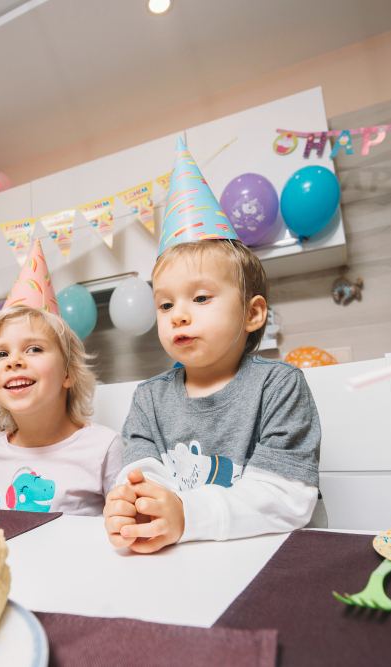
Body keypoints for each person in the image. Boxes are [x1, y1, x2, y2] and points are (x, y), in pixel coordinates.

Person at [103, 138, 322, 553]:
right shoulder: (149, 398)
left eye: (200, 298)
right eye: (165, 304)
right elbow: (142, 472)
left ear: (253, 314)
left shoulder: (280, 386)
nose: (178, 315)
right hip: (185, 557)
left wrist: (187, 515)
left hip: (273, 559)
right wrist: (136, 505)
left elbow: (286, 498)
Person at [0, 241, 123, 516]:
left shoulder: (103, 448)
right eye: (1, 353)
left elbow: (126, 529)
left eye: (34, 348)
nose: (14, 361)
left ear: (68, 372)